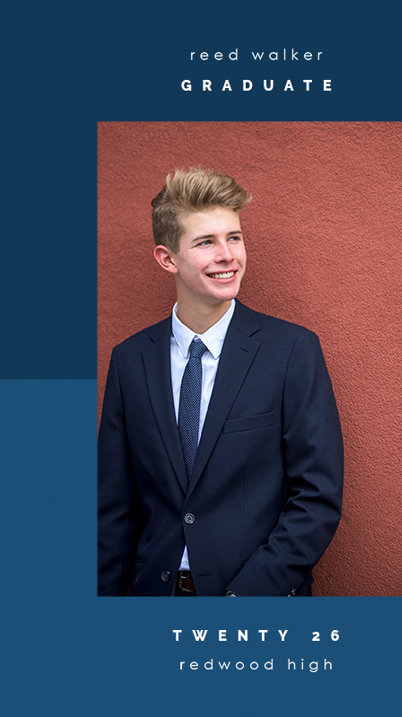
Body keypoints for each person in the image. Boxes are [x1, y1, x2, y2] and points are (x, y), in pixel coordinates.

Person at [98, 167, 343, 596]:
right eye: (206, 242)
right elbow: (113, 507)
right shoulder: (130, 360)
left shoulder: (291, 351)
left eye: (234, 237)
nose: (228, 255)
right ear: (167, 258)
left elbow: (317, 497)